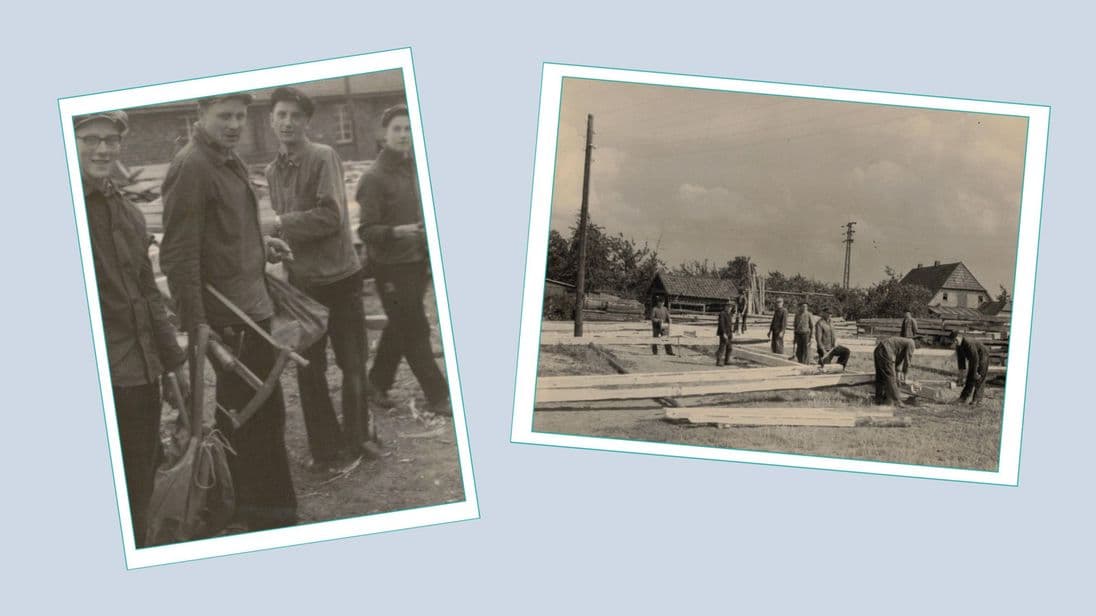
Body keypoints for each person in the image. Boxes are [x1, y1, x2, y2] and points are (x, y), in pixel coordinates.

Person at [160, 92, 297, 532]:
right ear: (200, 114)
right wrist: (198, 323)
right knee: (247, 417)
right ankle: (250, 513)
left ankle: (258, 507)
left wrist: (261, 246)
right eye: (224, 116)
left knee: (262, 414)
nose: (235, 124)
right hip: (228, 318)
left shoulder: (227, 158)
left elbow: (222, 232)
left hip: (251, 306)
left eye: (240, 116)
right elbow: (179, 255)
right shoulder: (193, 166)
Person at [75, 110, 189, 546]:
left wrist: (173, 362)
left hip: (139, 373)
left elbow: (147, 294)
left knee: (140, 475)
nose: (102, 149)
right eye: (90, 139)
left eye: (111, 140)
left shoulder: (127, 212)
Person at [264, 87, 377, 468]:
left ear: (307, 121)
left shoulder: (323, 156)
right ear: (271, 120)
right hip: (303, 285)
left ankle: (360, 439)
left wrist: (279, 223)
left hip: (340, 277)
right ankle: (326, 449)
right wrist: (275, 244)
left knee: (352, 362)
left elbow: (331, 216)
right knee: (309, 370)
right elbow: (287, 229)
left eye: (295, 116)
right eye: (281, 115)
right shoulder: (272, 171)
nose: (287, 122)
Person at [356, 104, 450, 415]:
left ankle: (375, 382)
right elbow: (366, 230)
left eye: (409, 129)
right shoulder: (373, 178)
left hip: (416, 262)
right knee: (415, 329)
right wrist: (397, 232)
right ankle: (439, 395)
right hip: (390, 268)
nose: (403, 134)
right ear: (384, 133)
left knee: (400, 324)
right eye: (397, 128)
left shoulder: (412, 169)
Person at [873, 336, 916, 407]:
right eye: (921, 344)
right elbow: (907, 361)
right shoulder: (911, 342)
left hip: (878, 349)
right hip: (886, 350)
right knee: (890, 377)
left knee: (880, 377)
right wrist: (905, 378)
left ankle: (879, 400)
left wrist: (898, 376)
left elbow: (897, 362)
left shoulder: (902, 343)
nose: (919, 346)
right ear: (918, 340)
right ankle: (897, 402)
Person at [953, 332, 990, 405]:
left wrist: (975, 372)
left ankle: (977, 400)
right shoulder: (958, 346)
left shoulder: (968, 343)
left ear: (960, 337)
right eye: (953, 340)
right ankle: (963, 398)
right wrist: (961, 376)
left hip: (983, 356)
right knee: (970, 377)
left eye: (956, 340)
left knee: (979, 377)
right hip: (973, 359)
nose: (955, 342)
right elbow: (961, 361)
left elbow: (975, 359)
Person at [716, 301, 735, 366]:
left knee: (729, 348)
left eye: (731, 307)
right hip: (723, 333)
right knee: (722, 347)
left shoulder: (730, 314)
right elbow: (721, 324)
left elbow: (730, 324)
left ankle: (727, 360)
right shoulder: (722, 314)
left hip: (729, 333)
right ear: (725, 307)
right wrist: (724, 333)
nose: (730, 308)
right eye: (728, 307)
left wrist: (731, 332)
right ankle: (718, 361)